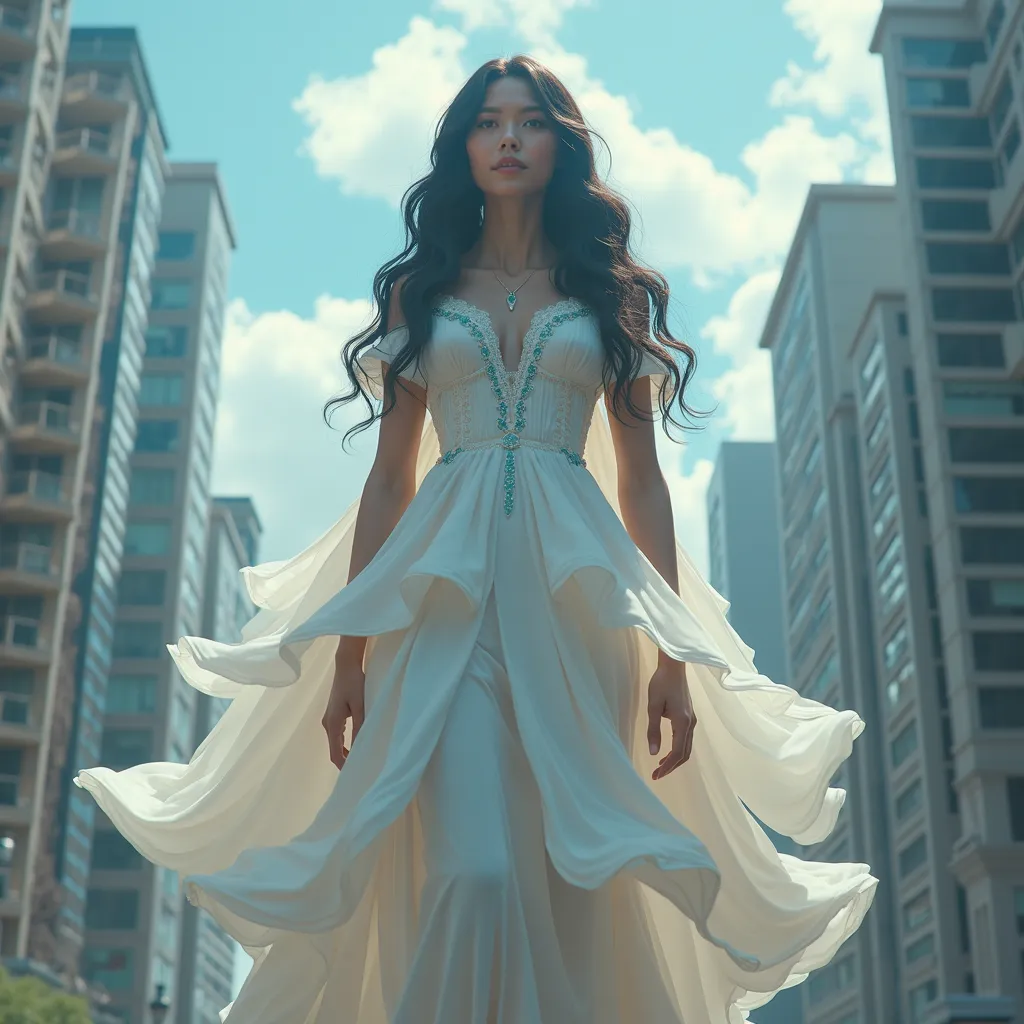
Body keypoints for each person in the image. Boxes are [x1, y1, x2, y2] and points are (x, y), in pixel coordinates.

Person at [75, 54, 877, 1024]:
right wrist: (347, 654)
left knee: (578, 880)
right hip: (441, 605)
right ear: (463, 144)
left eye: (529, 121)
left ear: (560, 144)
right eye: (487, 121)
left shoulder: (609, 294)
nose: (506, 137)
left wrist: (675, 658)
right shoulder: (421, 290)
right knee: (478, 873)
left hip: (579, 611)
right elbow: (386, 477)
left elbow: (643, 482)